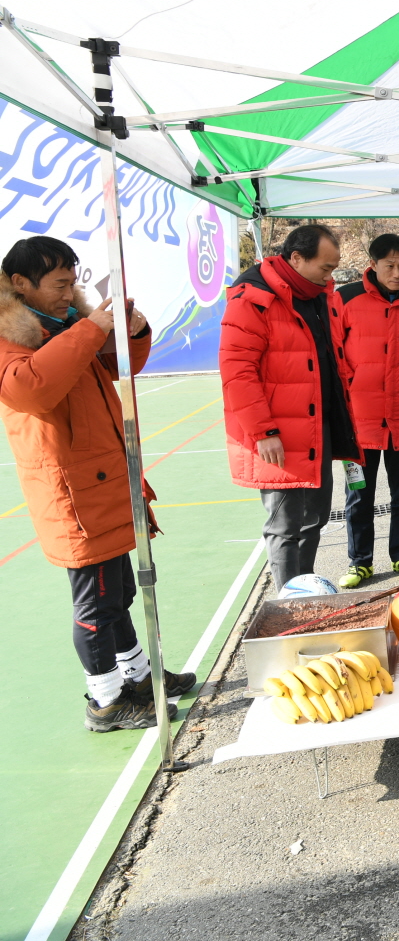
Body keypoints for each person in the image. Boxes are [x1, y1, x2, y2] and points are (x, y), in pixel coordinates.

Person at [0, 236, 194, 732]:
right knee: (95, 603)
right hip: (72, 493)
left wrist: (134, 331)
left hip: (102, 481)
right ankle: (104, 701)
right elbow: (30, 389)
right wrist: (89, 329)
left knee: (118, 593)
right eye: (59, 284)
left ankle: (138, 678)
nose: (69, 293)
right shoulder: (9, 335)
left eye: (72, 283)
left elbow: (114, 366)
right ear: (20, 283)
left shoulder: (66, 324)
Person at [222, 223, 361, 592]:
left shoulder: (320, 294)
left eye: (333, 269)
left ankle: (304, 591)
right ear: (297, 258)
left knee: (315, 518)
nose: (330, 277)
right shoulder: (252, 298)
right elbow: (237, 372)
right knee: (284, 526)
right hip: (277, 434)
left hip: (319, 427)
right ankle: (288, 604)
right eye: (325, 268)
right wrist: (263, 431)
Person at [333, 233, 399, 588]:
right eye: (390, 266)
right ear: (373, 264)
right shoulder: (345, 298)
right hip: (358, 421)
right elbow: (333, 347)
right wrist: (349, 382)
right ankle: (359, 562)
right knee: (358, 495)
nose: (397, 273)